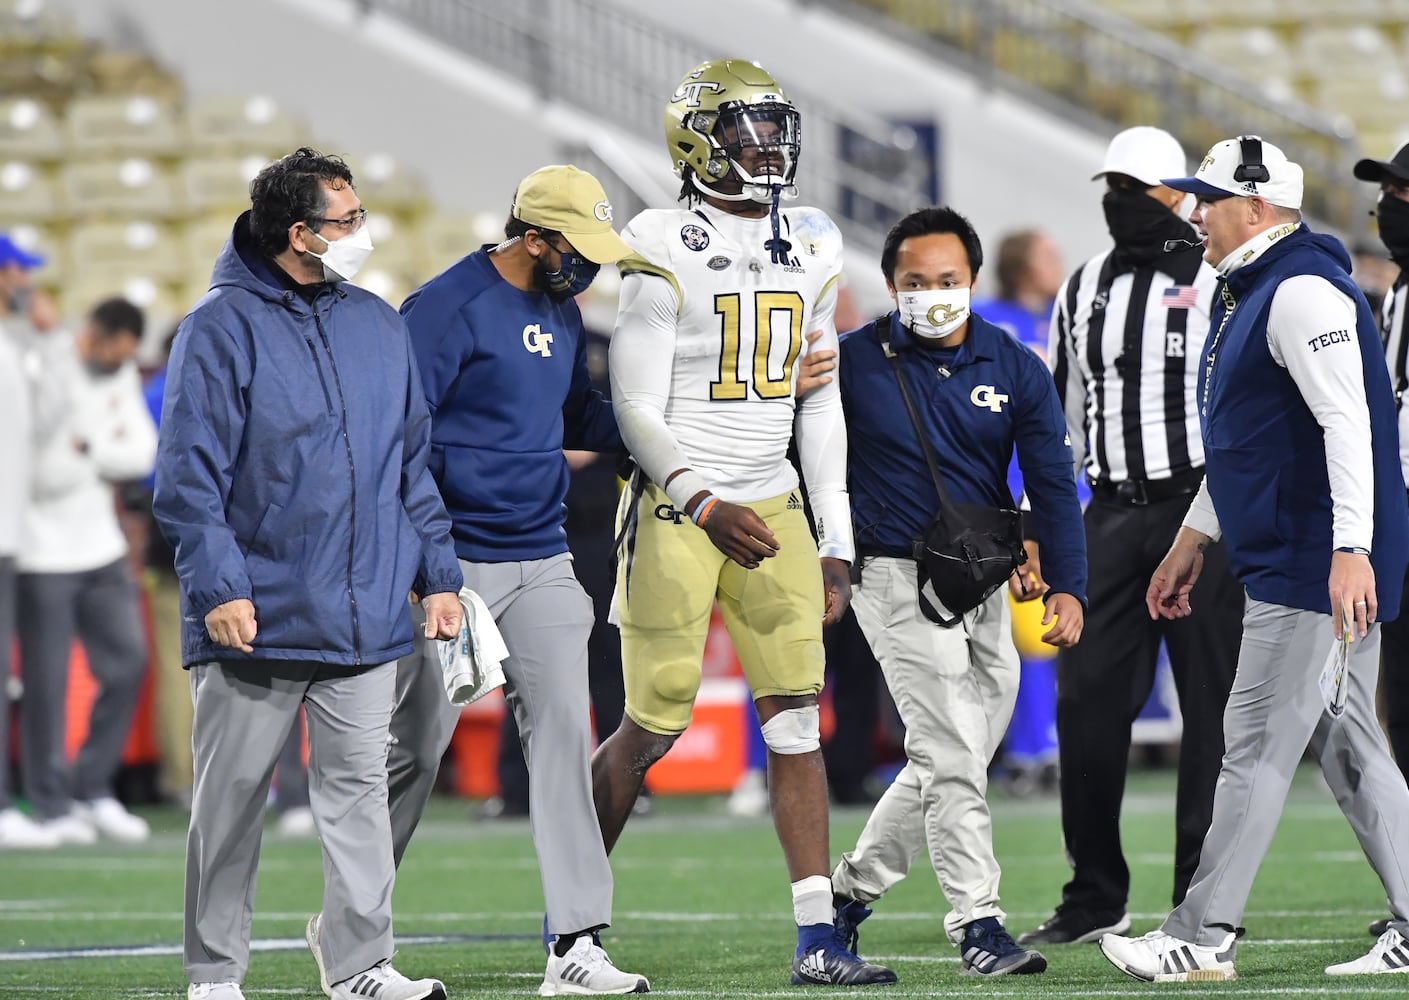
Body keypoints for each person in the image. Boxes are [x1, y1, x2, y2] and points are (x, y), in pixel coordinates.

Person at [592, 58, 896, 988]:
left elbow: (819, 400)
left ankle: (817, 937)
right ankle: (573, 923)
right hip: (681, 503)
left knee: (797, 715)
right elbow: (632, 403)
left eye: (774, 126)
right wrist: (702, 499)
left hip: (772, 497)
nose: (768, 146)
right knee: (652, 719)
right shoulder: (656, 236)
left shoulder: (812, 237)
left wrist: (836, 537)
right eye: (745, 128)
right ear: (698, 139)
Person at [1097, 136, 1409, 981]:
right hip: (1308, 553)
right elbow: (1250, 441)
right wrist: (1192, 537)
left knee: (1255, 744)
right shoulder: (1258, 286)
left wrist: (1348, 550)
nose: (1193, 214)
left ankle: (1201, 937)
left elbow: (1348, 428)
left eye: (1208, 199)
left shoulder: (1300, 291)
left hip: (1313, 562)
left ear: (1257, 205)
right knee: (1350, 751)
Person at [154, 147, 463, 1000]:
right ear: (300, 233)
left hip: (366, 616)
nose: (362, 232)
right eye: (347, 220)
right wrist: (220, 589)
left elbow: (411, 469)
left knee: (360, 796)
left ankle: (361, 964)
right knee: (231, 801)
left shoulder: (378, 322)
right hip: (258, 612)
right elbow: (189, 479)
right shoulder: (218, 327)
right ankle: (215, 975)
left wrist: (438, 575)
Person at [376, 164, 650, 997]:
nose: (588, 266)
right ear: (533, 237)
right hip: (450, 561)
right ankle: (353, 927)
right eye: (578, 248)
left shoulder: (558, 307)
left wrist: (659, 426)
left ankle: (575, 943)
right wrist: (430, 571)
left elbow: (573, 415)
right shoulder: (443, 309)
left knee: (565, 739)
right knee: (412, 752)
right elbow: (398, 442)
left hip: (542, 556)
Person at [827, 206, 1085, 977]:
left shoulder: (1014, 365)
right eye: (914, 281)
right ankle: (977, 922)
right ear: (889, 284)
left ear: (972, 280)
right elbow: (795, 454)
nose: (930, 293)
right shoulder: (846, 363)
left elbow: (1051, 483)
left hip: (982, 578)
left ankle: (847, 894)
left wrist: (1067, 584)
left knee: (957, 753)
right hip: (891, 574)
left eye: (946, 280)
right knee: (947, 747)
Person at [1021, 126, 1243, 946]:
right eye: (1109, 184)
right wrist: (1043, 524)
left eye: (1135, 187)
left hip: (1202, 515)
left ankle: (1199, 895)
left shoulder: (1222, 280)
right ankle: (1093, 892)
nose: (1118, 200)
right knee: (1082, 704)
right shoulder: (1080, 288)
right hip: (1107, 512)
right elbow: (1055, 418)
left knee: (1210, 710)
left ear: (1180, 195)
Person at [16, 296, 157, 846]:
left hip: (101, 547)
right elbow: (43, 469)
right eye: (112, 354)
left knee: (128, 663)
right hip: (41, 552)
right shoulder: (45, 367)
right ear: (94, 335)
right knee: (47, 685)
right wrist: (105, 450)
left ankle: (92, 788)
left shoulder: (118, 371)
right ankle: (51, 804)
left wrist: (90, 446)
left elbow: (141, 456)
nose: (118, 365)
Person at [1355, 141, 1409, 939]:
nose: (1391, 204)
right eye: (1389, 190)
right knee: (1399, 704)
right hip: (1398, 518)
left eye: (1404, 190)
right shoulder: (1397, 296)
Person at [0, 234, 62, 850]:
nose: (27, 285)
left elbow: (47, 425)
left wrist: (45, 339)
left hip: (12, 533)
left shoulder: (15, 346)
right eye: (19, 272)